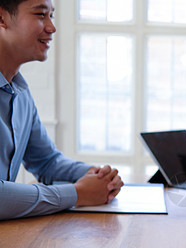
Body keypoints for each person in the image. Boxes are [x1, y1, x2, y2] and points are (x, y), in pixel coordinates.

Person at [0, 0, 124, 220]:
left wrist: (96, 176)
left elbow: (46, 161)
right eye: (40, 15)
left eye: (52, 16)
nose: (51, 27)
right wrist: (77, 193)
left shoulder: (21, 94)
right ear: (2, 18)